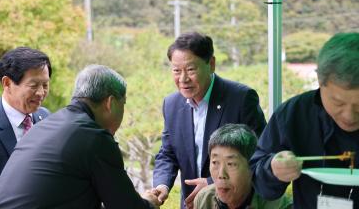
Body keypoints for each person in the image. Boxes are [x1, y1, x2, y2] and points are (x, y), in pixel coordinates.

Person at [0, 65, 160, 209]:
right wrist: (149, 203)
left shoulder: (45, 125)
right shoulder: (95, 137)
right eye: (123, 103)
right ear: (110, 103)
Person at [153, 32, 266, 209]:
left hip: (233, 203)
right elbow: (168, 153)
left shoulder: (241, 98)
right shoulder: (171, 104)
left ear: (211, 64)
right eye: (176, 71)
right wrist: (162, 185)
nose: (183, 79)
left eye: (191, 69)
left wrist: (212, 182)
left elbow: (261, 154)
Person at [250, 32, 359, 208]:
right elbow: (258, 179)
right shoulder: (294, 114)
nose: (349, 116)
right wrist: (273, 169)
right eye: (338, 102)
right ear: (319, 81)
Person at [194, 124, 292, 209]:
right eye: (215, 162)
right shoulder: (204, 199)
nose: (221, 175)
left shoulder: (279, 205)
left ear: (252, 167)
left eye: (231, 164)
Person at [0, 47, 51, 175]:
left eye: (45, 85)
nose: (40, 93)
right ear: (7, 83)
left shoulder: (46, 118)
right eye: (33, 86)